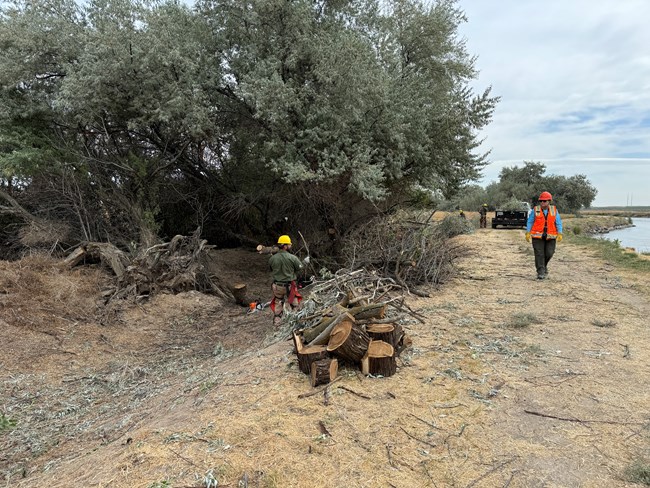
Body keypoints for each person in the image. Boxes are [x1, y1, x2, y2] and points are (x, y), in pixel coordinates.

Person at [269, 235, 307, 326]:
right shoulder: (292, 257)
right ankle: (296, 322)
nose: (290, 246)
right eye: (289, 245)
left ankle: (277, 323)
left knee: (278, 301)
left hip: (277, 286)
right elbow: (300, 268)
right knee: (294, 304)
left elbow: (271, 269)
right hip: (290, 286)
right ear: (285, 246)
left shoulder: (272, 258)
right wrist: (305, 262)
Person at [525, 192, 563, 280]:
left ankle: (543, 266)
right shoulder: (535, 210)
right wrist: (528, 232)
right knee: (539, 254)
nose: (542, 203)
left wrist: (560, 233)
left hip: (551, 236)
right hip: (537, 237)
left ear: (549, 201)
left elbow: (558, 222)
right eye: (541, 201)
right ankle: (541, 272)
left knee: (550, 253)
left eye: (544, 201)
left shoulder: (554, 210)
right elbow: (530, 221)